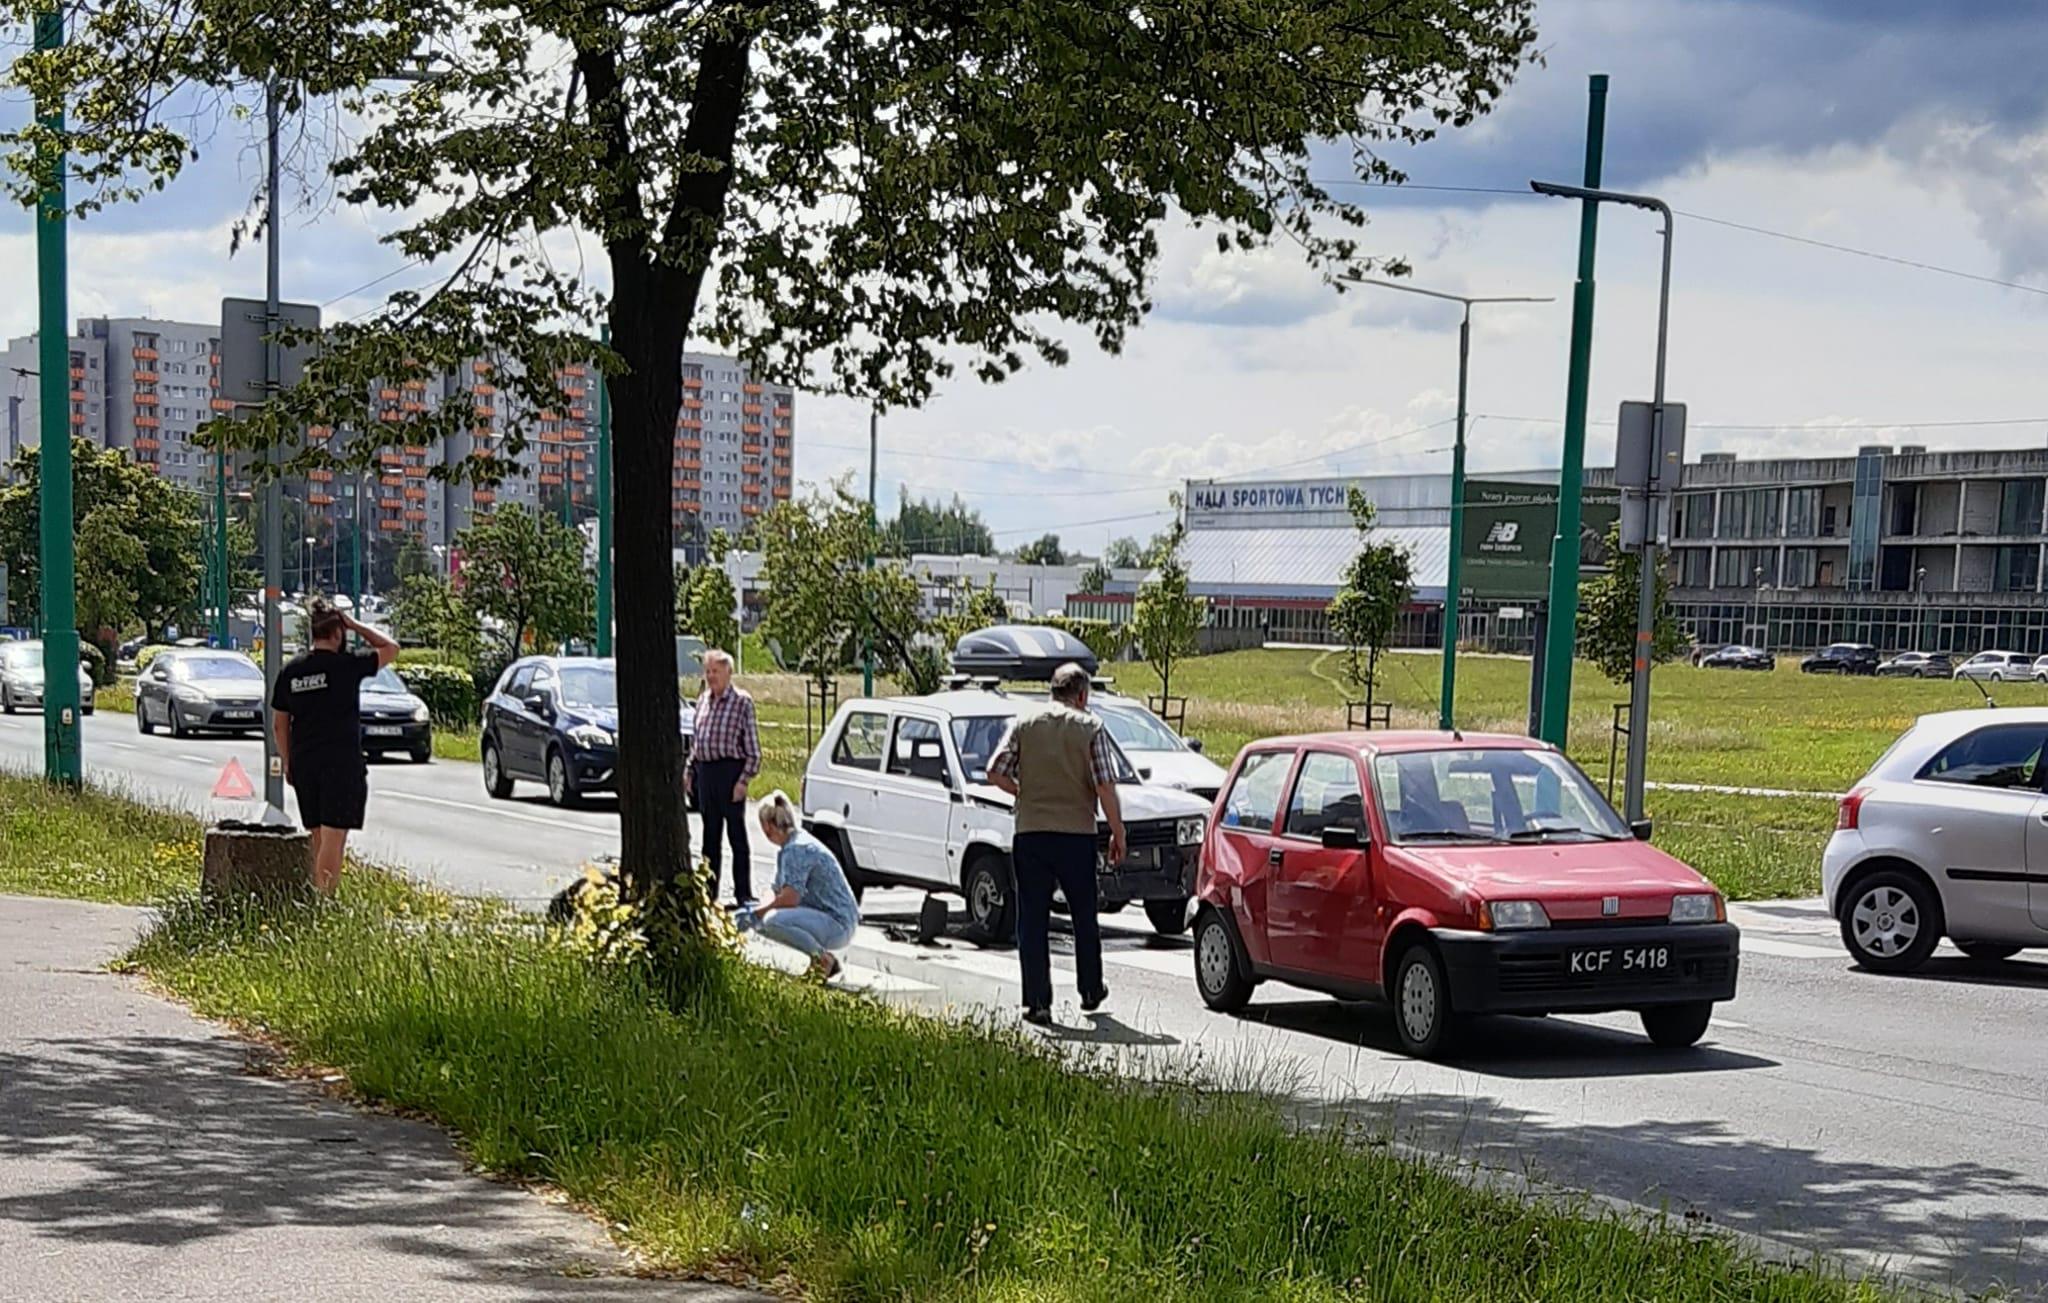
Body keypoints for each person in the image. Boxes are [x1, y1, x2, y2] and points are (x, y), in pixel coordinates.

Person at [988, 662, 1127, 1026]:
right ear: (1082, 695)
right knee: (1084, 915)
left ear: (1052, 691)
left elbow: (995, 771)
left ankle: (1037, 1002)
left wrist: (1023, 792)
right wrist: (1118, 830)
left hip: (1030, 833)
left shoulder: (1025, 723)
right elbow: (1104, 785)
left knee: (1031, 918)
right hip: (1076, 835)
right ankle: (1090, 989)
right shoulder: (1090, 728)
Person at [269, 598, 398, 894]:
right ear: (338, 633)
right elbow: (391, 649)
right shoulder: (348, 665)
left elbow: (280, 723)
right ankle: (324, 902)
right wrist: (355, 624)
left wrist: (288, 762)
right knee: (333, 837)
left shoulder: (292, 671)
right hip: (341, 764)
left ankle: (316, 892)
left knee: (317, 835)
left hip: (305, 763)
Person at [748, 791, 861, 979]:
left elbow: (790, 898)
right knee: (762, 920)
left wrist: (761, 912)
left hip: (838, 922)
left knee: (772, 921)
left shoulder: (797, 849)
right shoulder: (789, 847)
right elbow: (774, 889)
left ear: (767, 826)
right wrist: (760, 908)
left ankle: (822, 960)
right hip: (825, 915)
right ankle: (820, 960)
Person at [687, 648, 760, 904]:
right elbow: (697, 741)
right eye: (707, 671)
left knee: (736, 836)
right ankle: (709, 893)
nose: (711, 676)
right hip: (706, 773)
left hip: (731, 771)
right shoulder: (703, 700)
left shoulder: (742, 701)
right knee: (710, 837)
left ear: (728, 672)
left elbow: (753, 750)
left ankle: (743, 893)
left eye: (715, 671)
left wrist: (743, 781)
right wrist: (689, 771)